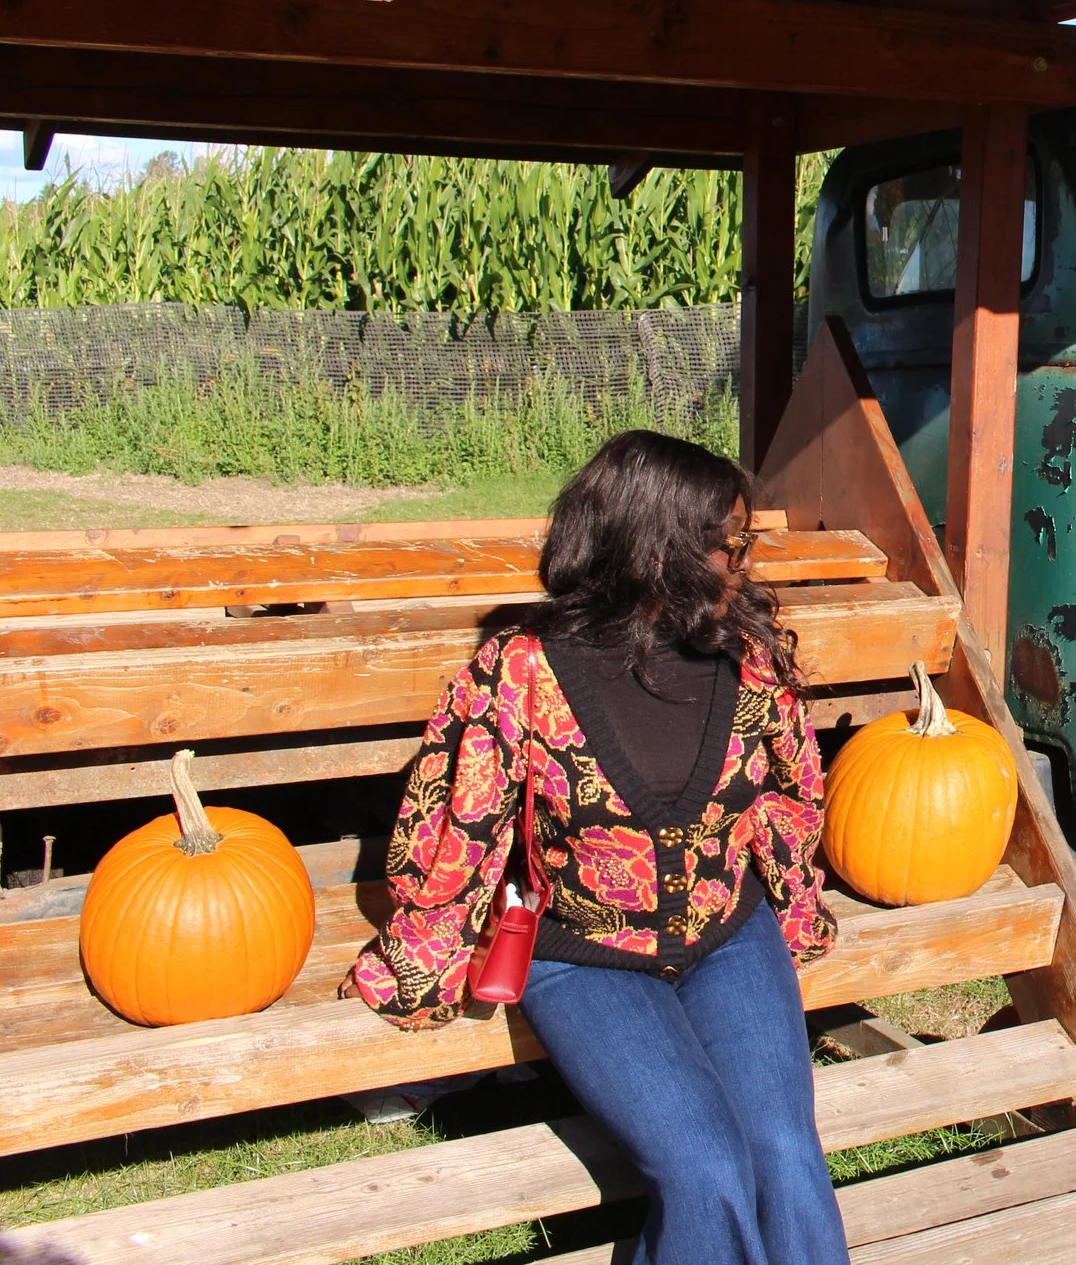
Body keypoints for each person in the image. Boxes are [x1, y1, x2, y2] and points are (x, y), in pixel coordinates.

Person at [349, 430, 848, 1265]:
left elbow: (791, 799)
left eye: (742, 540)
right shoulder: (520, 669)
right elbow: (457, 827)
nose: (742, 561)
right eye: (726, 544)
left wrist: (797, 911)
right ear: (655, 552)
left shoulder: (748, 659)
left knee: (787, 1157)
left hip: (728, 937)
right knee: (707, 1167)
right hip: (583, 957)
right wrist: (421, 959)